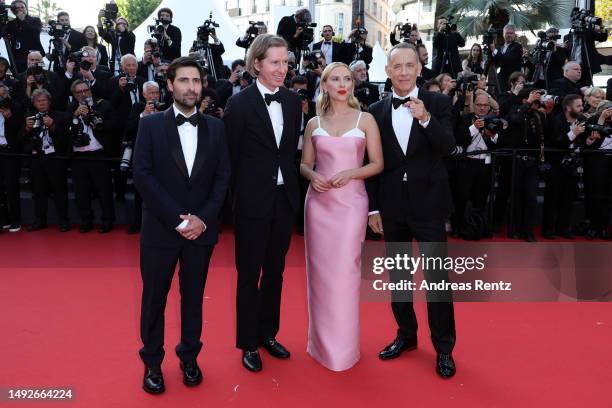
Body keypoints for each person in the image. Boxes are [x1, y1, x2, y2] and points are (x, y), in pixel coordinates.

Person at [133, 57, 231, 394]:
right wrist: (179, 219)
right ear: (170, 84)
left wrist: (202, 219)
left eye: (197, 81)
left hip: (201, 232)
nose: (191, 87)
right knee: (154, 299)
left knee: (193, 299)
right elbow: (142, 176)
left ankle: (189, 356)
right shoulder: (150, 124)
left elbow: (223, 177)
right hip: (161, 230)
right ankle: (152, 363)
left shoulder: (217, 128)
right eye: (184, 80)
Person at [366, 42, 457, 378]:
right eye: (397, 67)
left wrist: (426, 119)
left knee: (436, 280)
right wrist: (372, 209)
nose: (403, 72)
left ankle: (444, 348)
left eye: (409, 65)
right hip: (392, 206)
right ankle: (406, 336)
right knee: (400, 279)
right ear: (388, 72)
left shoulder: (439, 102)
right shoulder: (374, 110)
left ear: (419, 69)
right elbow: (371, 164)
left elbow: (448, 146)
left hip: (430, 205)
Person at [223, 34, 302, 372]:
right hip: (252, 204)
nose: (282, 69)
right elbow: (230, 159)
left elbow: (289, 152)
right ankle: (248, 343)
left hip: (283, 202)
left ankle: (268, 334)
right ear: (257, 64)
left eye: (285, 62)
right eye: (275, 62)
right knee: (248, 275)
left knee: (276, 272)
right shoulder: (238, 105)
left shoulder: (293, 101)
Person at [300, 62, 383, 371]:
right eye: (335, 79)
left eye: (347, 78)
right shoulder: (313, 122)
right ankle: (320, 346)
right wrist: (312, 176)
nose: (342, 83)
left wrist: (351, 173)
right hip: (318, 205)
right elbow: (304, 164)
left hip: (351, 204)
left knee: (346, 275)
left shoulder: (366, 119)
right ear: (324, 84)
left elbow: (377, 163)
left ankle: (344, 350)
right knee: (319, 277)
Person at [23, 89, 71, 232]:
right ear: (34, 103)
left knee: (59, 191)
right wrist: (26, 129)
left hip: (55, 159)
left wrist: (53, 126)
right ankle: (40, 220)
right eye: (38, 101)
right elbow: (20, 139)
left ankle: (63, 221)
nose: (42, 103)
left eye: (44, 100)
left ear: (49, 102)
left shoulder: (61, 116)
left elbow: (66, 139)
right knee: (38, 191)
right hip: (37, 158)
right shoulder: (29, 117)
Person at [5, 0, 45, 73]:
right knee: (20, 79)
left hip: (35, 56)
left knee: (38, 77)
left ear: (26, 8)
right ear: (13, 10)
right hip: (18, 58)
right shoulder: (11, 24)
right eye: (17, 8)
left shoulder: (35, 20)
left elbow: (35, 32)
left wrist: (23, 20)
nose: (20, 9)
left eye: (22, 7)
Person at [490, 24, 523, 93]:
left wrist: (494, 50)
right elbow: (497, 63)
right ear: (503, 34)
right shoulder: (501, 48)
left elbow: (507, 59)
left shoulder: (517, 46)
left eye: (511, 33)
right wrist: (492, 52)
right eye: (507, 33)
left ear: (514, 35)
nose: (509, 35)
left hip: (513, 81)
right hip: (501, 81)